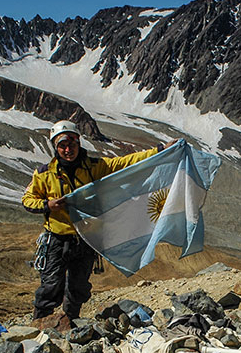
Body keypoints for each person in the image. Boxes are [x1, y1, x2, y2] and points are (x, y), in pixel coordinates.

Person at [22, 120, 175, 321]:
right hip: (57, 240)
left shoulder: (94, 167)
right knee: (51, 286)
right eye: (62, 146)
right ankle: (39, 324)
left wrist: (161, 149)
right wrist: (47, 205)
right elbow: (27, 200)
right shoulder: (43, 174)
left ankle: (70, 323)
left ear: (78, 143)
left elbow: (125, 162)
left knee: (78, 287)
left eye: (72, 144)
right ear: (55, 147)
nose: (68, 150)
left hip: (86, 239)